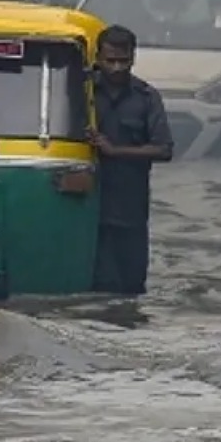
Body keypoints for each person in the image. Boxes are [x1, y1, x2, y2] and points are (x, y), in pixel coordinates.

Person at [86, 25, 174, 296]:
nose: (116, 68)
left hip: (129, 212)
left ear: (133, 58)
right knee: (95, 289)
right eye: (110, 61)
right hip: (88, 210)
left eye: (123, 61)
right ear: (98, 58)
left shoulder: (146, 98)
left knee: (131, 288)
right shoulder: (82, 92)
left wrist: (115, 151)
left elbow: (164, 149)